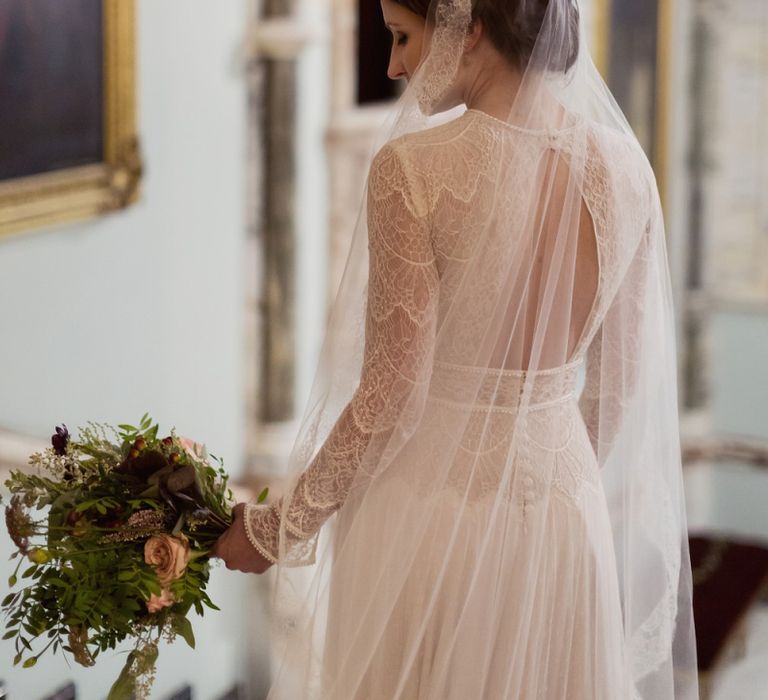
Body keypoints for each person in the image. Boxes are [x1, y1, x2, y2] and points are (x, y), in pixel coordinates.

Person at [214, 0, 698, 697]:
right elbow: (616, 385)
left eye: (403, 36)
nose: (394, 65)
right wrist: (535, 469)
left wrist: (279, 530)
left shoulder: (412, 168)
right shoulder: (627, 169)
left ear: (467, 28)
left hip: (432, 517)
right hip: (565, 519)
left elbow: (392, 390)